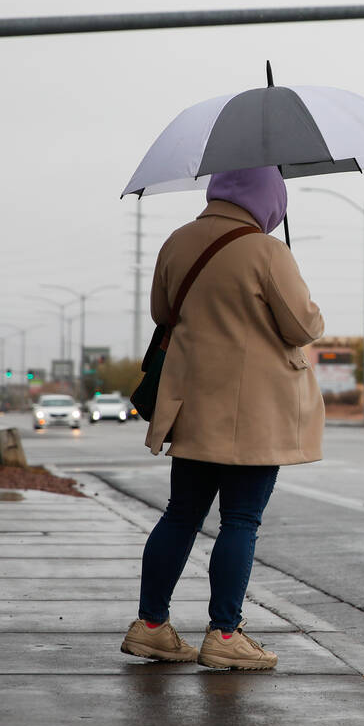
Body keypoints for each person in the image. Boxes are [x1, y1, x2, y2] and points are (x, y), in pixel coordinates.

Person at [120, 166, 324, 670]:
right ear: (268, 198)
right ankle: (225, 634)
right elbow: (302, 325)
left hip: (191, 403)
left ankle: (151, 627)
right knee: (240, 520)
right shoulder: (267, 250)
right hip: (256, 410)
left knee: (181, 513)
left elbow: (162, 311)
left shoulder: (178, 242)